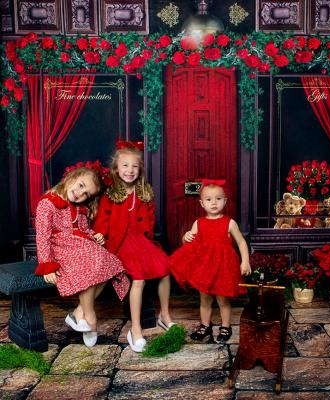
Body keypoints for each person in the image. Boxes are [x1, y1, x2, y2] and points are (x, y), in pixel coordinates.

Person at [35, 161, 130, 348]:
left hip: (79, 245)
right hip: (60, 248)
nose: (79, 194)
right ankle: (90, 316)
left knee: (109, 261)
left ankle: (79, 313)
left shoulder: (79, 208)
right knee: (90, 260)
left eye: (86, 194)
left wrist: (94, 236)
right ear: (71, 177)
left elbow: (84, 229)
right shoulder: (48, 203)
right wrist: (46, 264)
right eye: (80, 186)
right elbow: (42, 235)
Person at [94, 140, 174, 353]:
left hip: (141, 241)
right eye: (125, 166)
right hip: (121, 244)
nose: (130, 170)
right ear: (116, 169)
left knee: (165, 268)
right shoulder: (110, 195)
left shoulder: (145, 193)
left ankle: (165, 315)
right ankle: (135, 329)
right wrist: (100, 235)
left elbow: (150, 219)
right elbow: (102, 220)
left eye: (134, 166)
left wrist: (147, 242)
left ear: (140, 170)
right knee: (138, 277)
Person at [169, 179, 251, 343]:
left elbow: (241, 242)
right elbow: (189, 244)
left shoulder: (229, 223)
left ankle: (225, 326)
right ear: (202, 203)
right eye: (209, 199)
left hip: (223, 267)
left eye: (218, 199)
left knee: (223, 299)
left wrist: (245, 261)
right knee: (205, 299)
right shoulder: (199, 223)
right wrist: (186, 237)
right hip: (205, 268)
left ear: (225, 201)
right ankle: (205, 326)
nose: (214, 203)